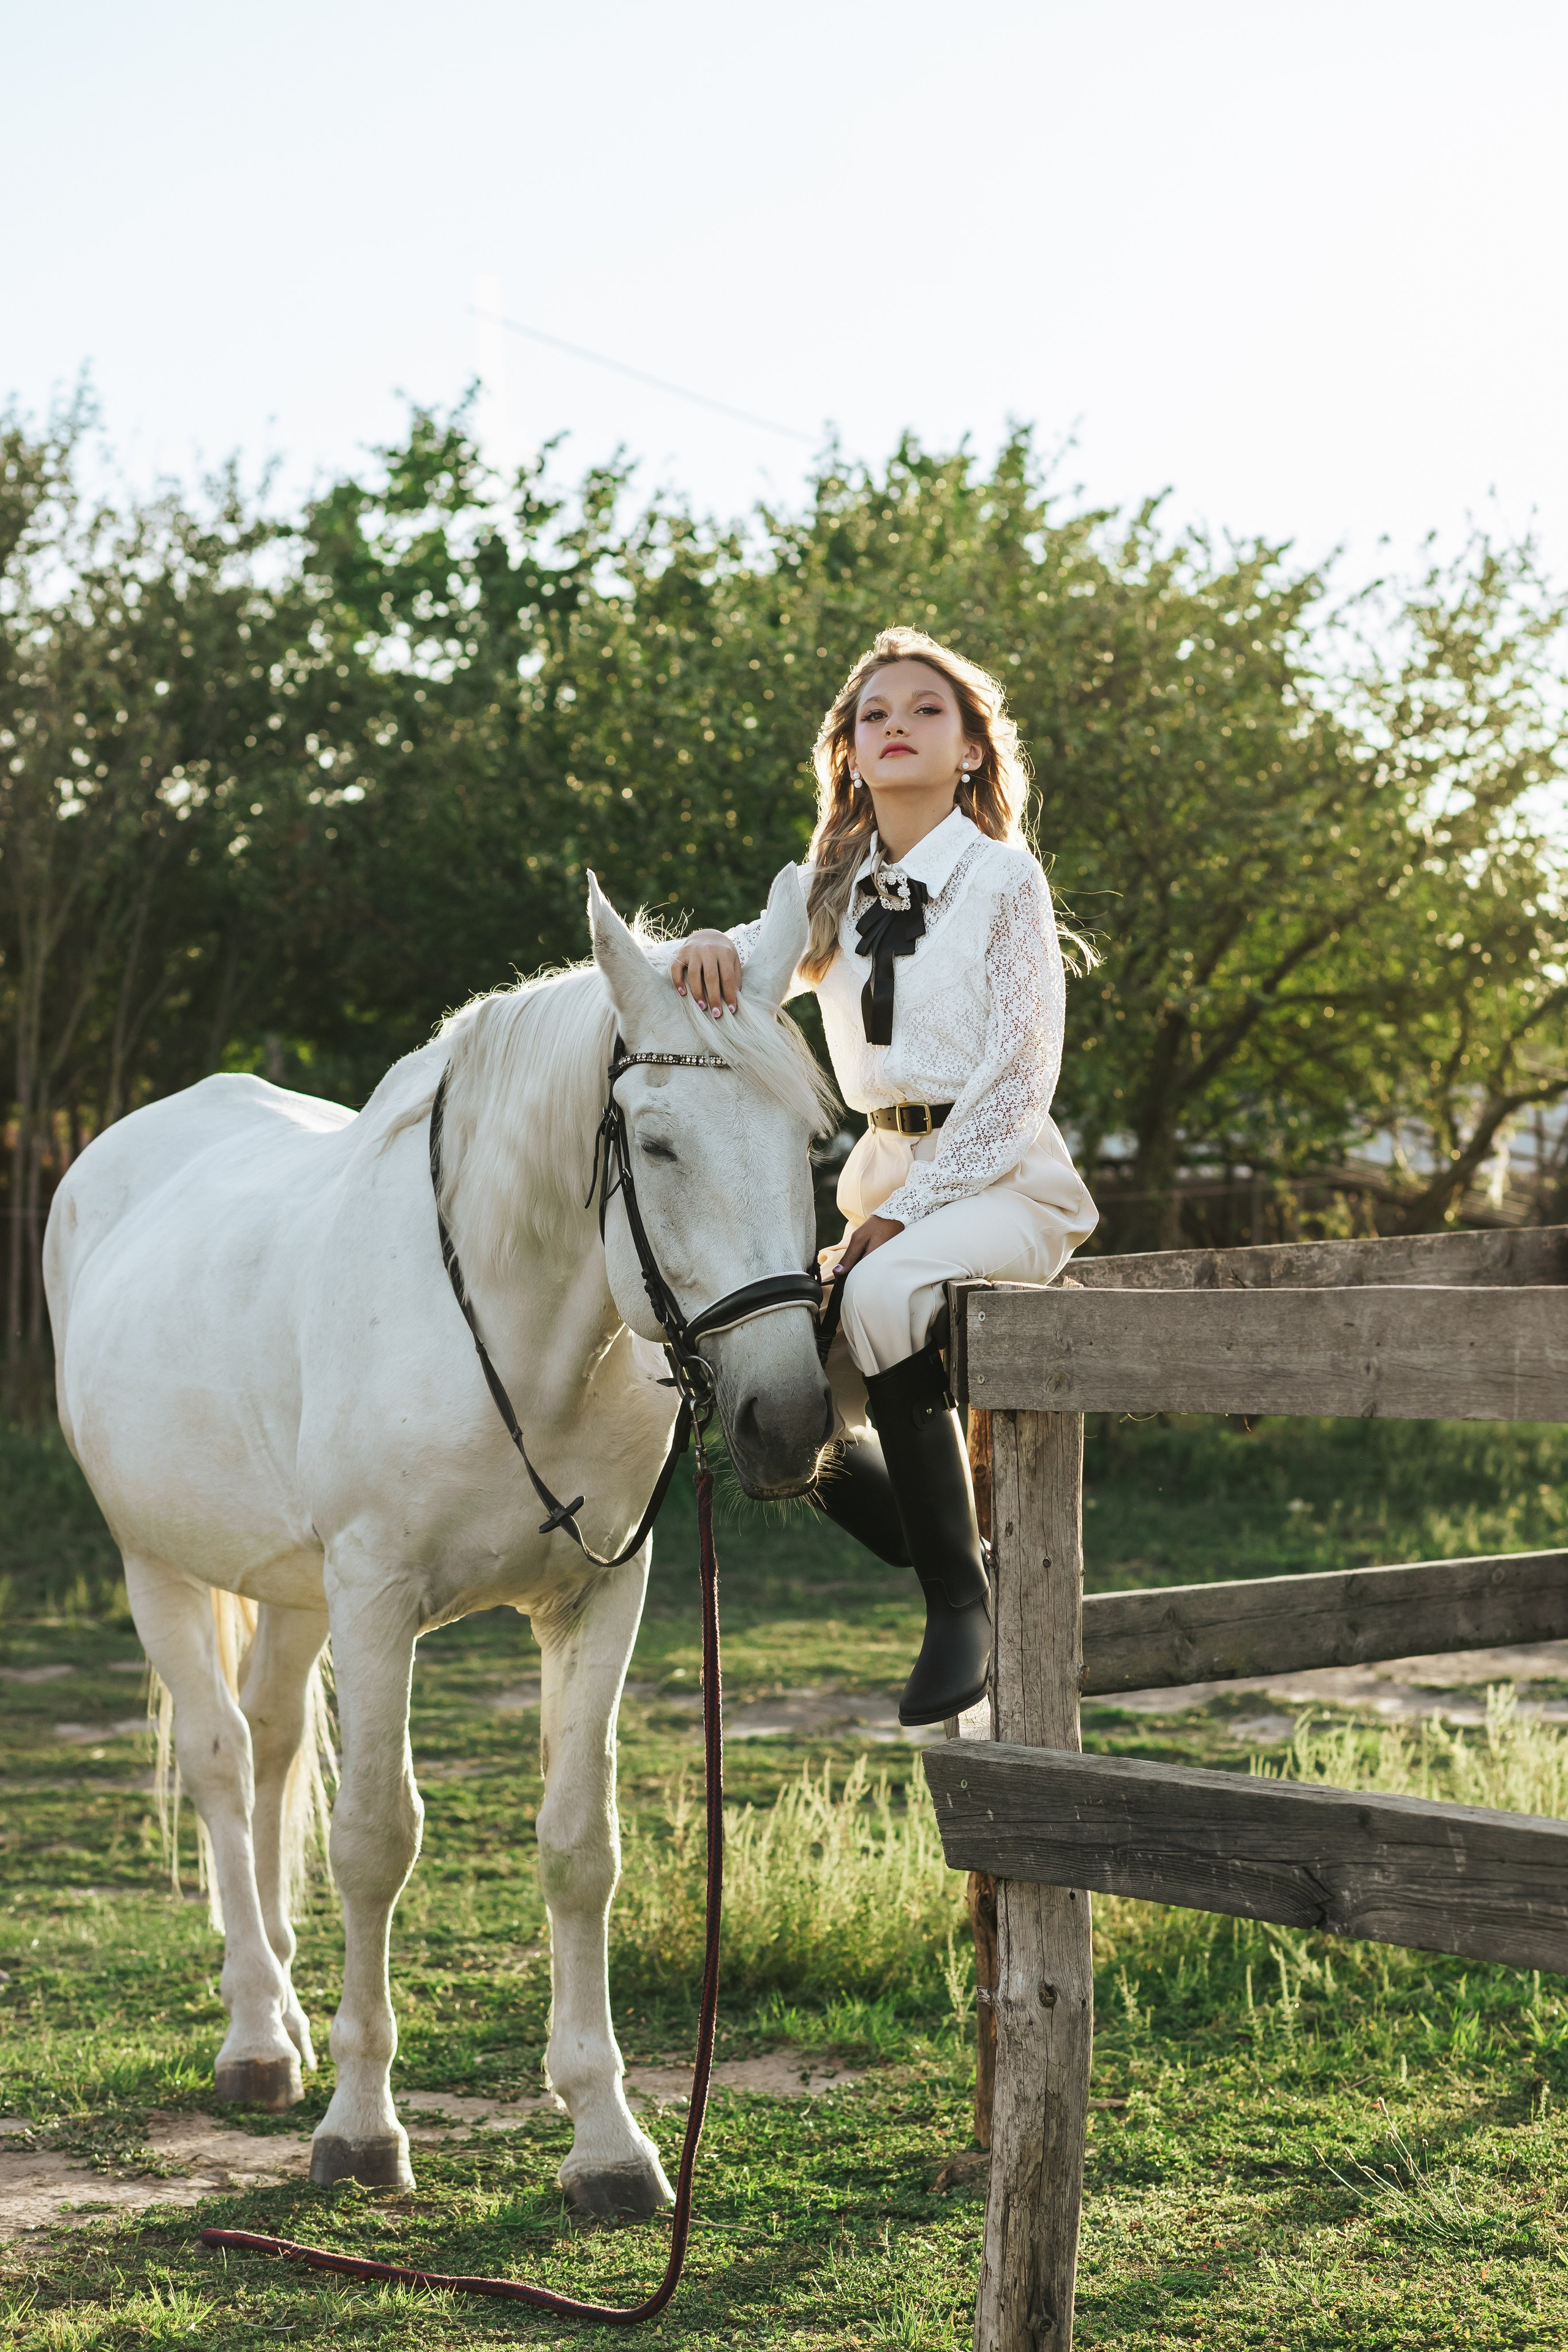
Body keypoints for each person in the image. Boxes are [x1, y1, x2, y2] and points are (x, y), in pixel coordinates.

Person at [668, 627, 1098, 1727]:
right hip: (883, 1177)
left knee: (883, 1291)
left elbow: (1023, 1077)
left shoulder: (1003, 880)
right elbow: (743, 970)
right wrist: (703, 944)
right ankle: (933, 1536)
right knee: (769, 1353)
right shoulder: (829, 892)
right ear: (851, 754)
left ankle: (960, 1606)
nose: (897, 724)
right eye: (875, 715)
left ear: (970, 750)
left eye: (925, 710)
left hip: (1005, 1178)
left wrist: (909, 1213)